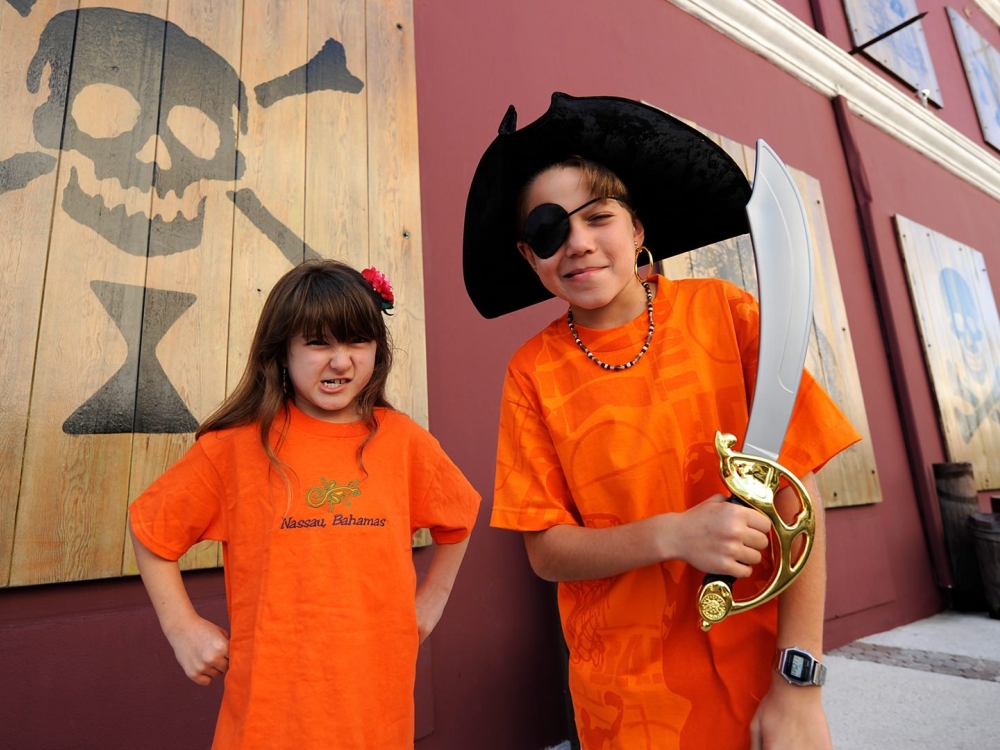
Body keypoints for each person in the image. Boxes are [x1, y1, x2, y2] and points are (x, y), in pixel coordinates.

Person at [463, 93, 860, 749]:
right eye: (548, 231)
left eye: (599, 217)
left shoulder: (725, 316)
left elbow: (796, 491)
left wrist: (800, 680)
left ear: (639, 228)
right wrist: (675, 534)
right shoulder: (531, 374)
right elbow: (547, 550)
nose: (579, 244)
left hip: (763, 674)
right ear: (529, 257)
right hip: (629, 703)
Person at [130, 259, 480, 749]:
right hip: (268, 718)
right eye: (319, 343)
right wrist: (181, 627)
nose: (341, 361)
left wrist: (431, 602)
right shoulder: (233, 449)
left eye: (358, 341)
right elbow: (151, 529)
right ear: (282, 352)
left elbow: (460, 515)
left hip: (376, 714)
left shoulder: (403, 442)